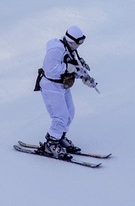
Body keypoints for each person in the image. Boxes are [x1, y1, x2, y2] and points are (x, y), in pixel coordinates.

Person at [34, 25, 98, 158]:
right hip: (51, 86)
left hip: (63, 86)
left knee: (70, 113)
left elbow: (75, 67)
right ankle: (51, 143)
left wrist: (84, 77)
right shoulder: (56, 50)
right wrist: (69, 68)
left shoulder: (71, 50)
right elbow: (50, 69)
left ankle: (59, 137)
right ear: (71, 41)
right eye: (78, 42)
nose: (79, 45)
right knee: (60, 116)